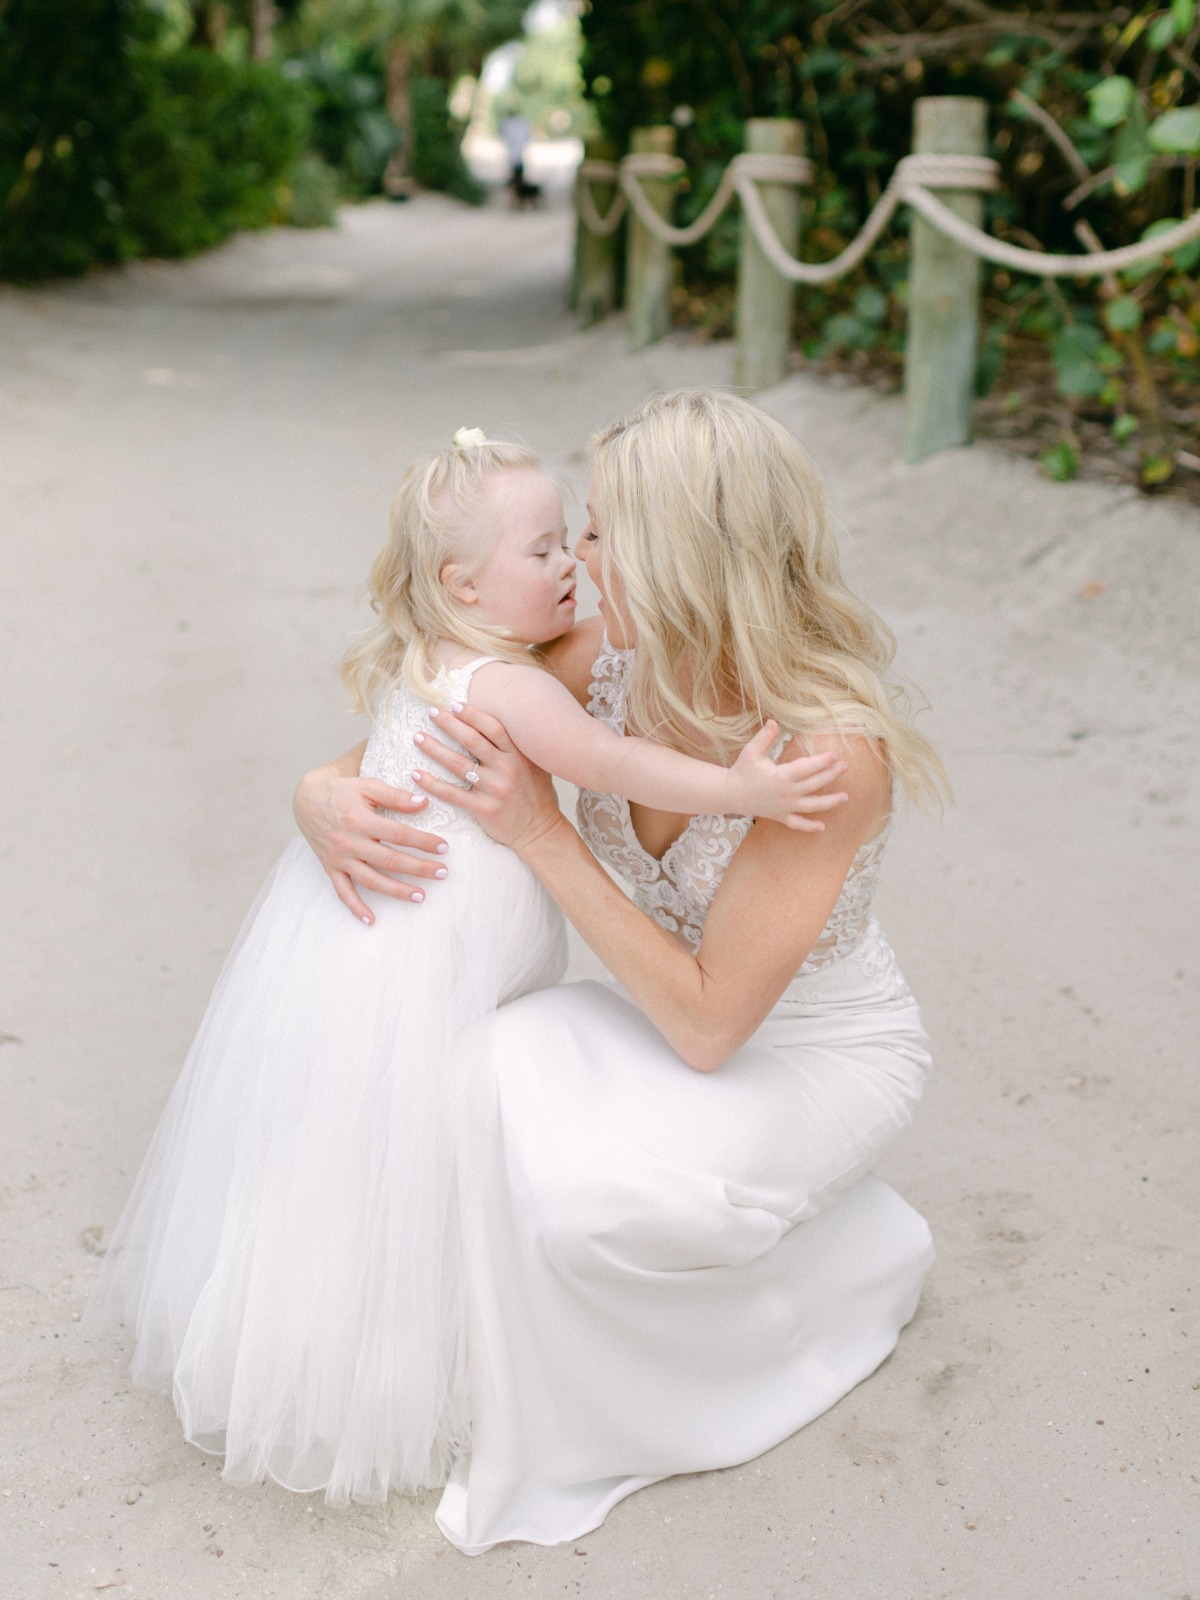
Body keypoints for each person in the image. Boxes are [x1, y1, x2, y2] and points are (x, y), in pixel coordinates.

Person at [86, 429, 847, 1509]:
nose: (575, 560)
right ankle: (412, 1364)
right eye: (551, 544)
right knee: (420, 1151)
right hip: (424, 945)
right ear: (463, 582)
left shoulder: (441, 656)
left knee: (368, 1153)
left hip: (364, 945)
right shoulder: (521, 674)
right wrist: (745, 793)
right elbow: (605, 759)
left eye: (587, 537)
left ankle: (327, 1346)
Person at [294, 389, 947, 1554]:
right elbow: (422, 709)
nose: (579, 560)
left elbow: (709, 1029)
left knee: (600, 1203)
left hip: (799, 1043)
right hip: (665, 1003)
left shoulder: (823, 753)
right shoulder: (597, 652)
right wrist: (319, 796)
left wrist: (542, 832)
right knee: (476, 1069)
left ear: (685, 558)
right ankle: (547, 1371)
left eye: (601, 534)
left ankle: (826, 1278)